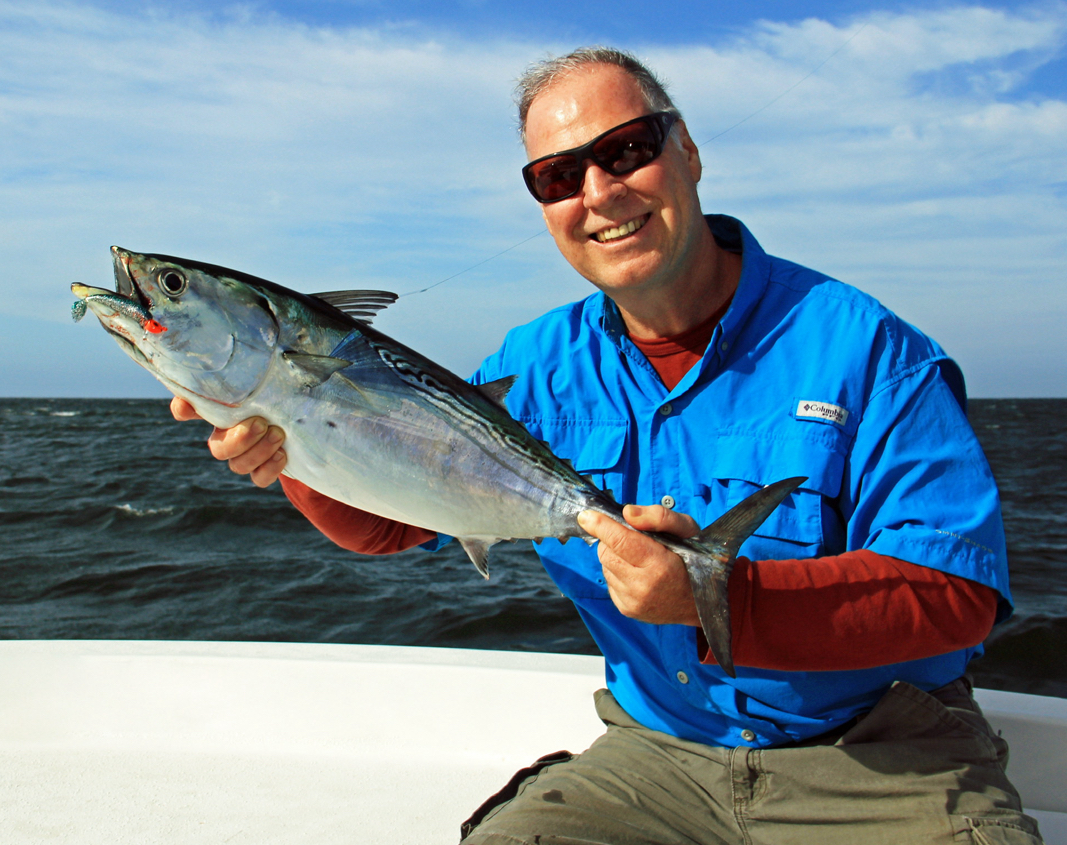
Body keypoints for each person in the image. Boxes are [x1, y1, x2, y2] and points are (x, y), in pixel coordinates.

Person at [172, 47, 1042, 845]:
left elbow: (957, 594)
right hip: (659, 755)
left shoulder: (868, 350)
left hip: (882, 755)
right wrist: (290, 447)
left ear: (686, 151)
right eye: (557, 175)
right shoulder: (532, 366)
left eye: (625, 150)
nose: (597, 191)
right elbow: (396, 522)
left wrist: (722, 597)